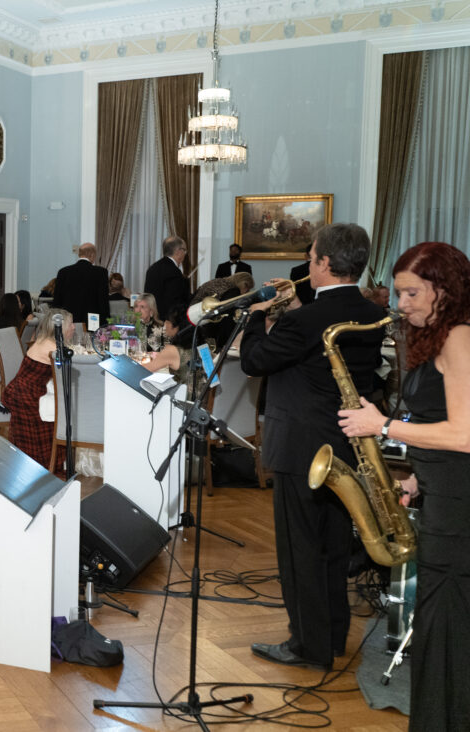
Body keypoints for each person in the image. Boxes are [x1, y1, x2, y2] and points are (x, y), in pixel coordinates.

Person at [240, 222, 386, 671]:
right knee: (334, 547)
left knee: (300, 550)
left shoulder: (303, 321)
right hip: (345, 444)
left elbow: (254, 361)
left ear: (324, 262)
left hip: (299, 447)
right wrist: (295, 311)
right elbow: (316, 359)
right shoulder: (370, 312)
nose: (308, 265)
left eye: (311, 258)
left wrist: (256, 317)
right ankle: (333, 637)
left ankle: (307, 646)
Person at [337, 241, 470, 731]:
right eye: (398, 293)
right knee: (440, 633)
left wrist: (383, 426)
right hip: (443, 494)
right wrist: (416, 478)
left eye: (412, 292)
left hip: (459, 510)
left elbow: (466, 434)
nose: (401, 303)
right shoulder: (440, 338)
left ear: (444, 290)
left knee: (447, 632)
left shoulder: (459, 338)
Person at [2, 308, 72, 470]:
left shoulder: (43, 340)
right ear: (60, 328)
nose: (74, 327)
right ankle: (50, 462)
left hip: (18, 391)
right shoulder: (53, 349)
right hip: (27, 397)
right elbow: (67, 374)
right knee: (63, 408)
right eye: (71, 324)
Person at [51, 242, 110, 324]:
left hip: (68, 321)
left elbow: (57, 301)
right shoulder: (101, 272)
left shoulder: (63, 272)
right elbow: (103, 301)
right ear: (92, 255)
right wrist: (106, 322)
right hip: (92, 321)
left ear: (79, 254)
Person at [144, 235, 191, 322]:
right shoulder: (174, 272)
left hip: (152, 319)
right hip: (167, 322)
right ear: (178, 251)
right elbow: (175, 303)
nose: (185, 254)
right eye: (184, 250)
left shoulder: (153, 268)